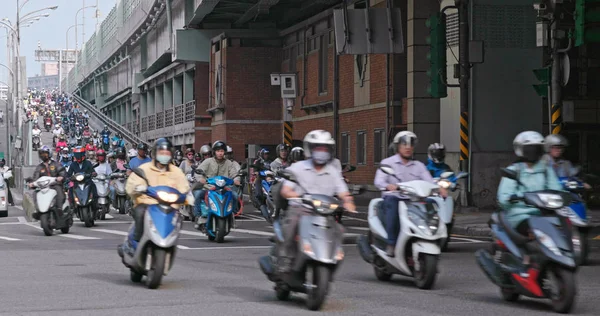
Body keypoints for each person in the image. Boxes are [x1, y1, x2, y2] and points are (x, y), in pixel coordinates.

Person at [278, 130, 357, 272]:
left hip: (324, 213)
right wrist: (294, 195)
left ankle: (331, 260)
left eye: (324, 148)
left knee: (338, 230)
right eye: (318, 148)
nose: (321, 151)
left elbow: (343, 191)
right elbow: (286, 189)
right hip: (301, 209)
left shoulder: (333, 171)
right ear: (310, 149)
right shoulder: (298, 168)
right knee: (291, 225)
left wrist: (348, 201)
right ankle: (286, 258)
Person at [496, 131, 563, 276]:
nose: (533, 152)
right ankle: (525, 261)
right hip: (520, 214)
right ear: (521, 150)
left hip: (544, 212)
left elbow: (556, 188)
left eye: (536, 148)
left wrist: (560, 196)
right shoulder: (514, 170)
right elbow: (503, 196)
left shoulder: (546, 169)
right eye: (530, 148)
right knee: (532, 235)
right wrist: (516, 197)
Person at [374, 131, 446, 257]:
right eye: (404, 144)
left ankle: (433, 237)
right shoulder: (388, 162)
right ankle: (391, 243)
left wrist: (439, 188)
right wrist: (388, 186)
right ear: (398, 146)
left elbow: (428, 181)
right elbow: (378, 181)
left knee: (432, 203)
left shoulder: (419, 166)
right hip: (395, 198)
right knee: (392, 204)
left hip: (413, 200)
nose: (408, 147)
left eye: (411, 145)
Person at [121, 138, 191, 254]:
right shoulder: (144, 168)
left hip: (169, 205)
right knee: (140, 213)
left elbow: (185, 188)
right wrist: (138, 188)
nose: (164, 155)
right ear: (155, 153)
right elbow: (131, 185)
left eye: (167, 153)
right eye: (161, 153)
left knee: (178, 219)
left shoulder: (176, 172)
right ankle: (134, 244)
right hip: (147, 203)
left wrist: (188, 197)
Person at [195, 141, 241, 226]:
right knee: (197, 194)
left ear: (224, 152)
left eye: (222, 151)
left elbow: (235, 174)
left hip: (224, 189)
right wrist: (200, 179)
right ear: (214, 152)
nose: (220, 153)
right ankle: (198, 216)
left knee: (235, 196)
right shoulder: (208, 161)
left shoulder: (229, 163)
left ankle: (232, 215)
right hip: (209, 188)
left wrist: (236, 180)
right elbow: (198, 172)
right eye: (218, 151)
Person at [29, 146, 67, 219]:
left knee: (59, 191)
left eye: (45, 153)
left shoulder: (56, 164)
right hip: (43, 187)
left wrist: (61, 177)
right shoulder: (39, 167)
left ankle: (59, 209)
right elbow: (35, 178)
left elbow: (62, 171)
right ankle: (38, 210)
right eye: (41, 154)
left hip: (55, 185)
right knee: (35, 193)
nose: (43, 155)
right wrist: (32, 183)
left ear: (49, 154)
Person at [67, 147, 98, 212]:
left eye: (80, 155)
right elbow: (69, 174)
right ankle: (72, 204)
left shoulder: (88, 163)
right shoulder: (73, 164)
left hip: (87, 181)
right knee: (70, 189)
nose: (78, 157)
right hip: (77, 182)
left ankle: (96, 203)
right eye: (77, 155)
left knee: (93, 186)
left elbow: (92, 171)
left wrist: (93, 173)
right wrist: (69, 178)